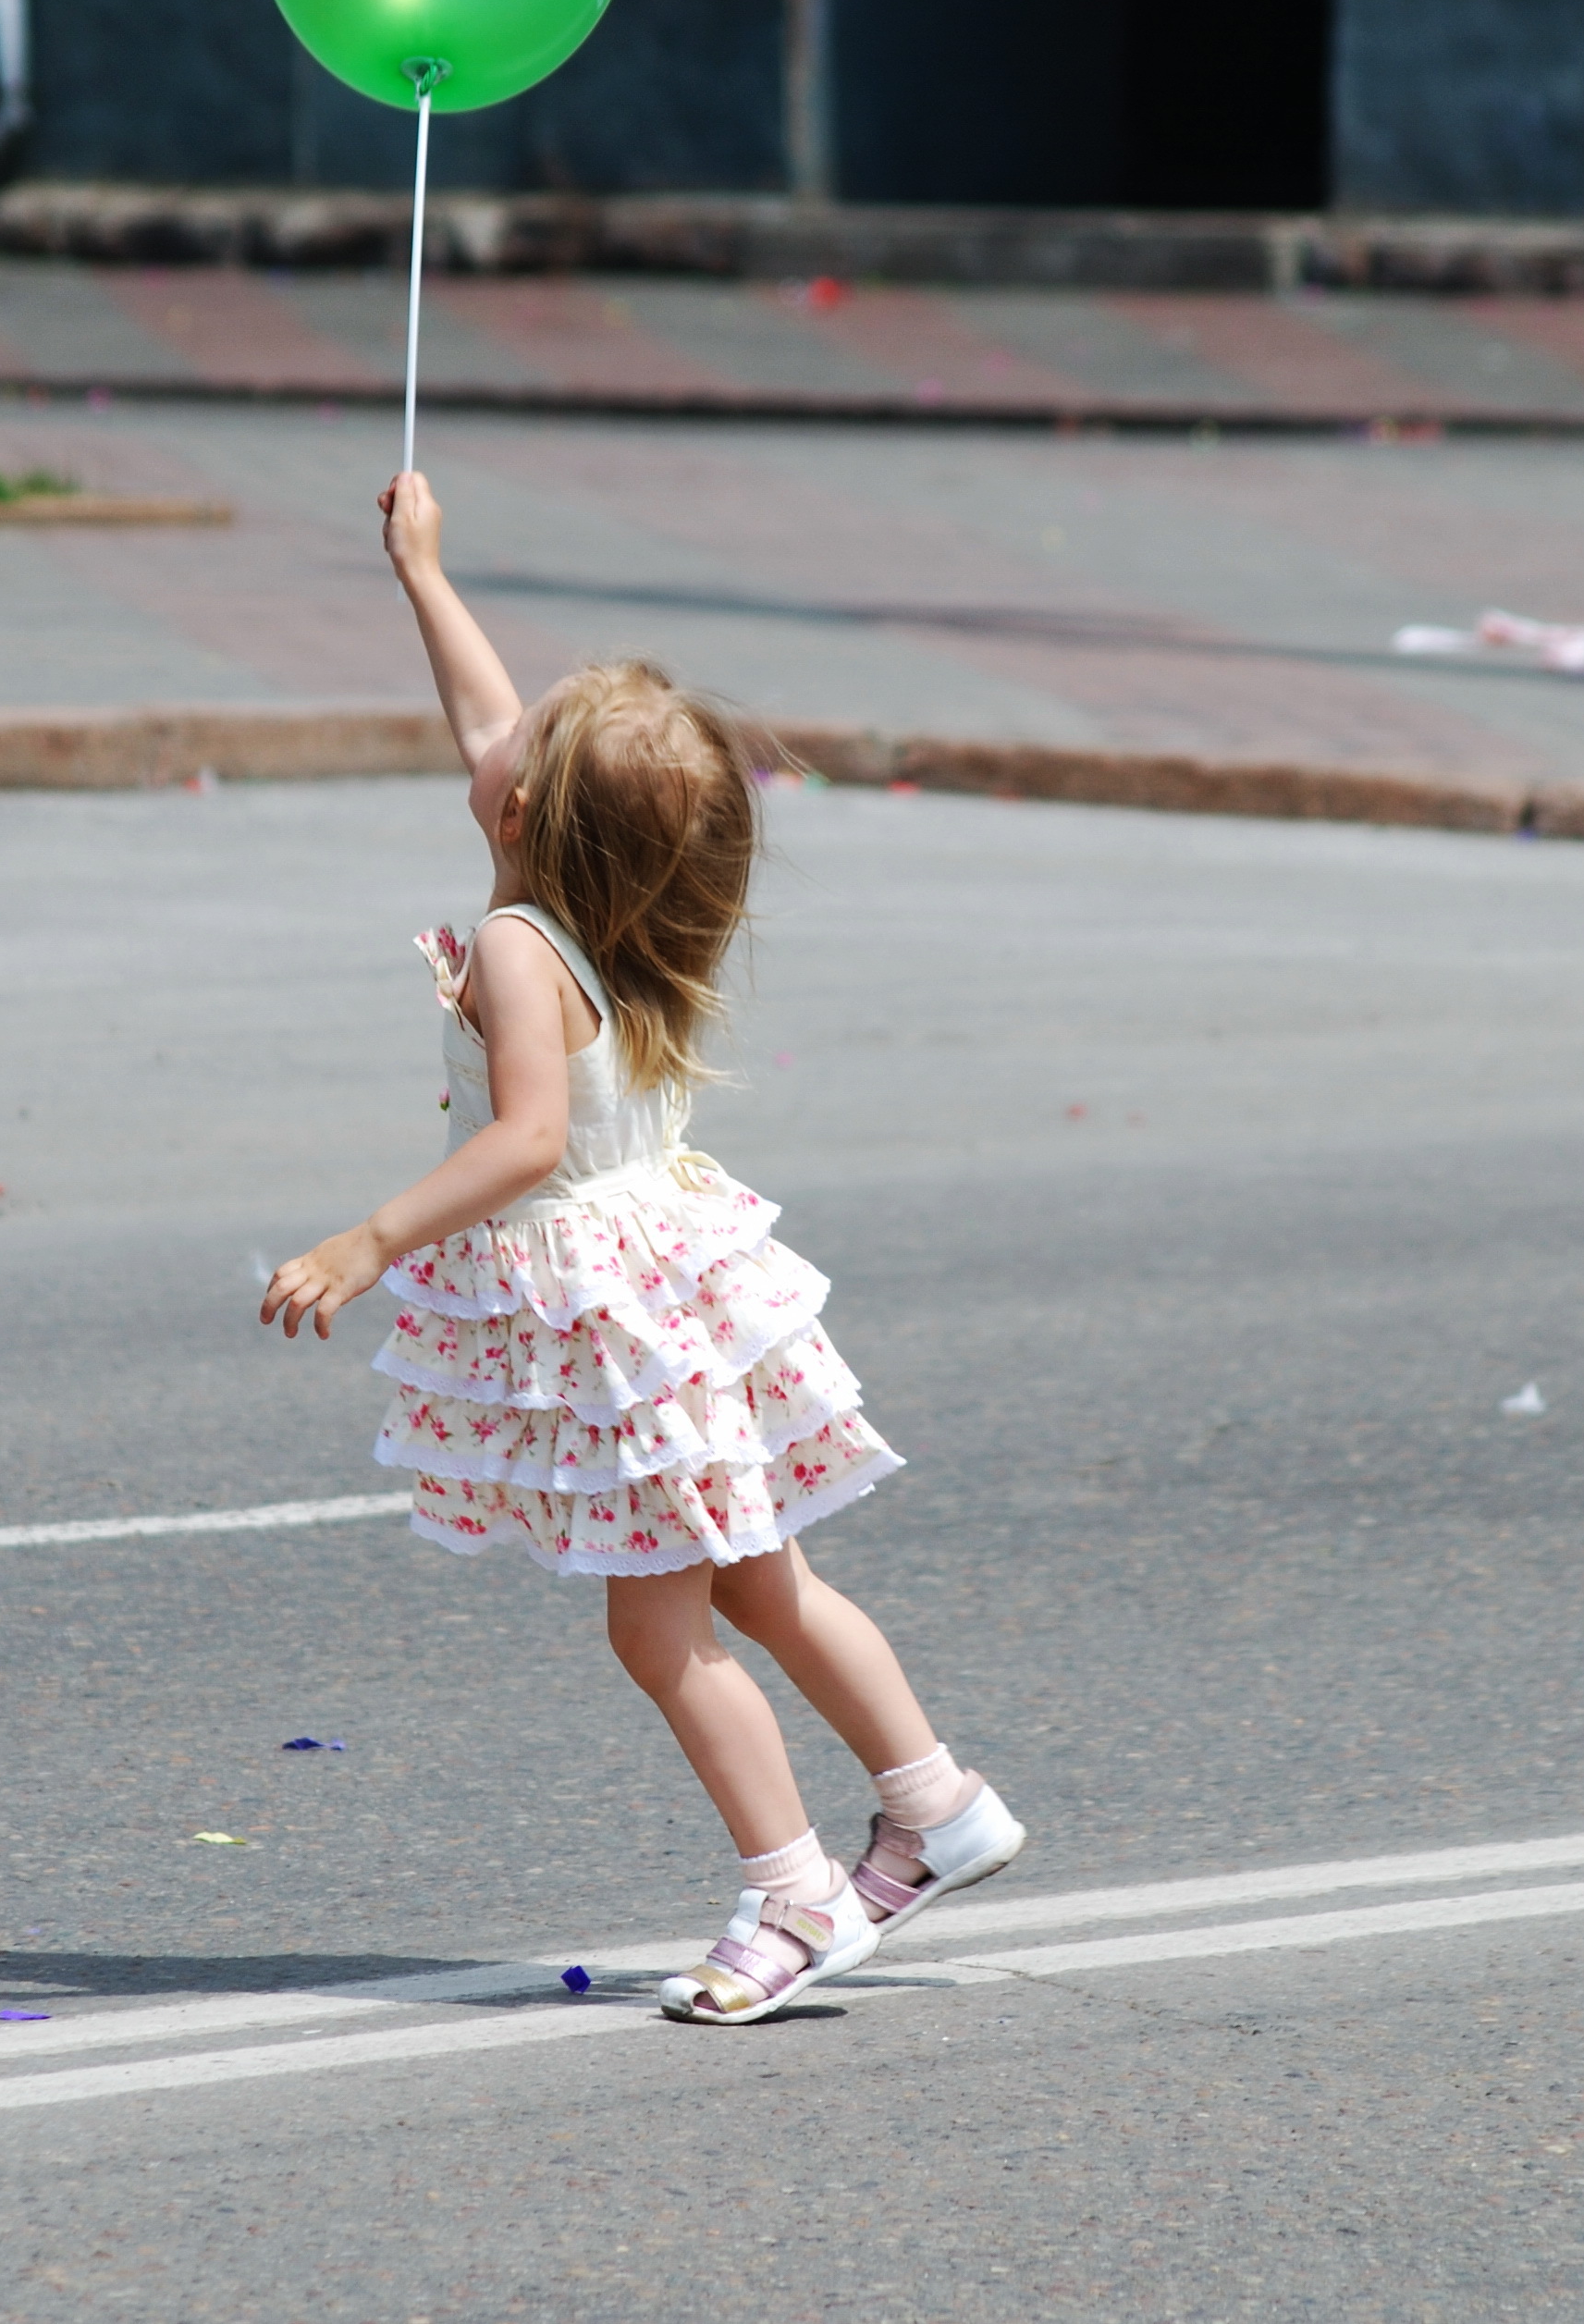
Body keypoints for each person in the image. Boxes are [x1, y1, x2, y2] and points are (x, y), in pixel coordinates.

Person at [261, 470, 1025, 2026]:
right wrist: (423, 574)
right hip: (671, 1278)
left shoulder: (523, 946)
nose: (489, 750)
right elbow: (488, 727)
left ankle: (795, 1893)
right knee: (767, 1583)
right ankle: (938, 1807)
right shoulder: (629, 909)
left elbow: (525, 1140)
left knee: (658, 1626)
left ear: (529, 817)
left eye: (517, 755)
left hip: (608, 1310)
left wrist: (365, 1240)